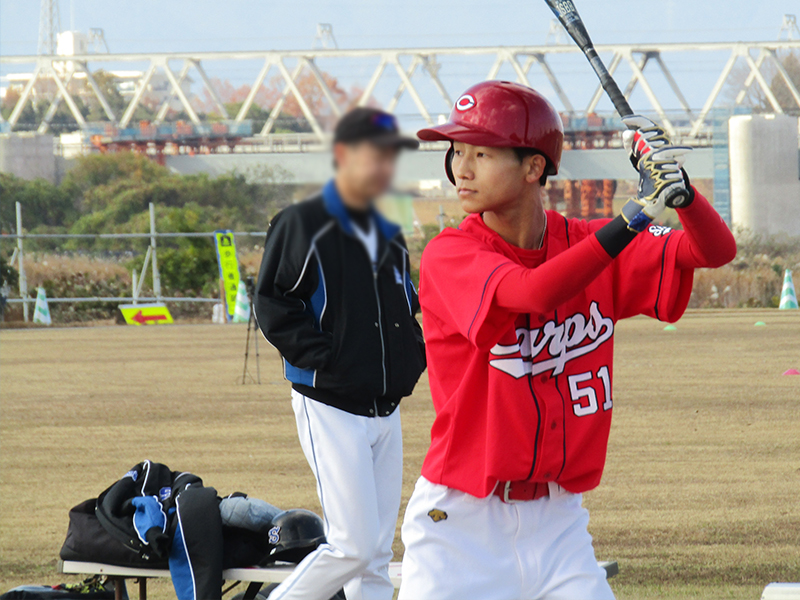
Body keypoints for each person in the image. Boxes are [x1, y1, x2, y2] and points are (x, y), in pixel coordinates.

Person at [398, 80, 737, 600]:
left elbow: (714, 251)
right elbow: (534, 292)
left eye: (481, 153)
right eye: (456, 151)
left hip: (559, 523)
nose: (461, 169)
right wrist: (634, 216)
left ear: (533, 167)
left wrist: (683, 193)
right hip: (460, 524)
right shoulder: (450, 253)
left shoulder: (588, 243)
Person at [255, 107, 426, 600]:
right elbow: (273, 301)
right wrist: (325, 358)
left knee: (375, 555)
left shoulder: (387, 227)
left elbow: (405, 305)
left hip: (385, 405)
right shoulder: (303, 222)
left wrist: (411, 355)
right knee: (351, 547)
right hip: (330, 402)